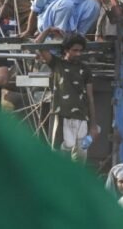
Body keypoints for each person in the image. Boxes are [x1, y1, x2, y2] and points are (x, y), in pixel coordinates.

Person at [35, 31, 98, 162]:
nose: (78, 54)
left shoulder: (85, 69)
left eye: (80, 51)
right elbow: (38, 44)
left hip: (82, 117)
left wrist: (93, 126)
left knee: (80, 158)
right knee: (60, 156)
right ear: (66, 50)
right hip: (62, 116)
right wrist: (49, 30)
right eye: (75, 50)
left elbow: (90, 98)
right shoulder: (56, 63)